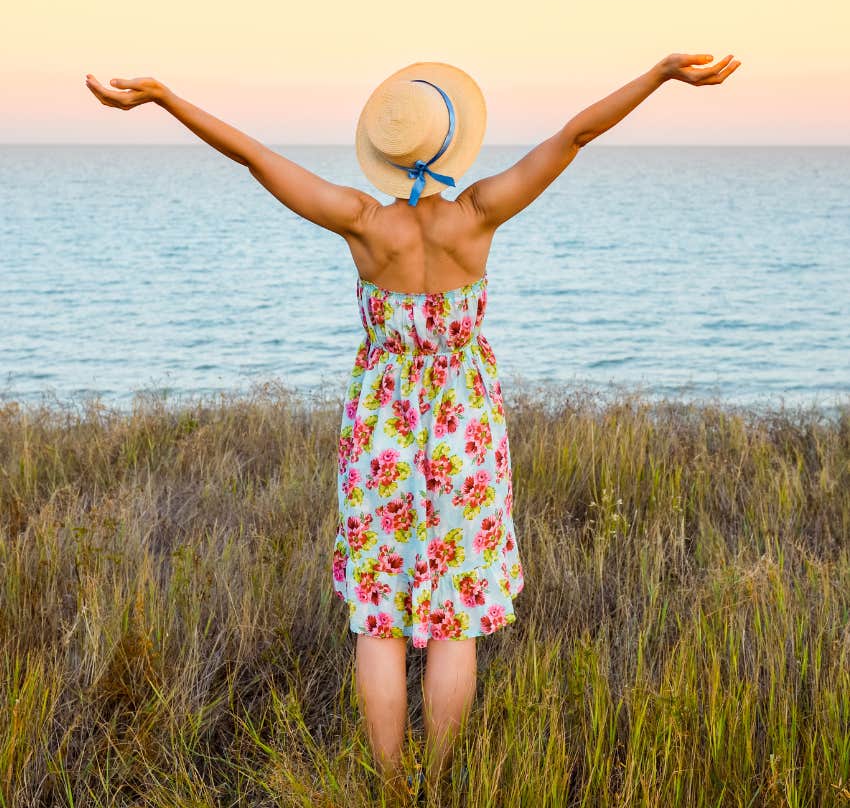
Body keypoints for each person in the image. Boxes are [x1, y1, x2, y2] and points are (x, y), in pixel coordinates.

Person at [85, 51, 741, 801]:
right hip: (464, 431)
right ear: (451, 141)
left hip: (381, 438)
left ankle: (393, 790)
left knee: (380, 623)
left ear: (388, 156)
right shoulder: (480, 213)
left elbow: (254, 158)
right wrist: (660, 75)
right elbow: (576, 135)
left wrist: (167, 98)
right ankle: (443, 782)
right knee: (454, 620)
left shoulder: (361, 223)